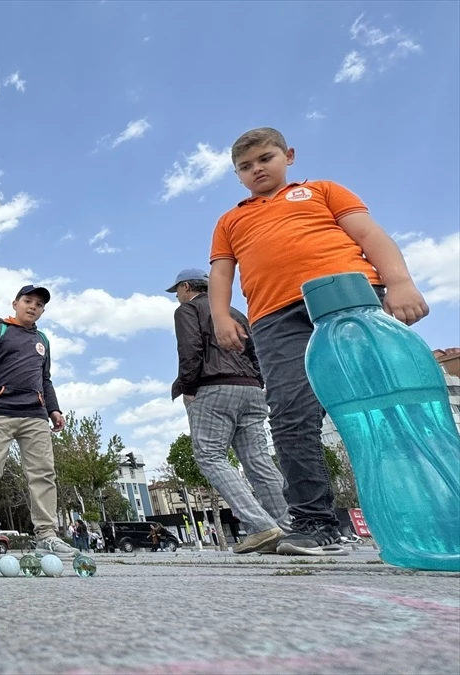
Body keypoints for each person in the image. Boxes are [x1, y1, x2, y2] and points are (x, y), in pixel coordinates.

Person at [210, 127, 429, 556]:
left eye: (265, 159)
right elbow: (221, 272)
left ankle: (422, 508)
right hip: (274, 318)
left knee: (384, 400)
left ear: (288, 156)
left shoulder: (322, 191)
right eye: (245, 166)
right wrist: (221, 316)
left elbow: (369, 235)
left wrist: (400, 283)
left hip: (347, 298)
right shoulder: (231, 220)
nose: (257, 170)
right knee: (290, 415)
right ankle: (314, 522)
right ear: (237, 176)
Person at [168, 267, 291, 554]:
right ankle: (288, 527)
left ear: (187, 287)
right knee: (258, 460)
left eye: (177, 292)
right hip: (250, 389)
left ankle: (260, 526)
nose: (177, 298)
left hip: (213, 388)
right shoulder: (234, 313)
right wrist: (257, 382)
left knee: (210, 456)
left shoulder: (187, 310)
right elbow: (255, 353)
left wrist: (188, 387)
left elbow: (190, 350)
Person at [0, 284, 74, 556]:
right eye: (28, 301)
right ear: (15, 303)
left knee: (43, 474)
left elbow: (46, 378)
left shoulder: (43, 340)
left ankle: (46, 535)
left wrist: (54, 409)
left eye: (39, 305)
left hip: (35, 416)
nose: (33, 307)